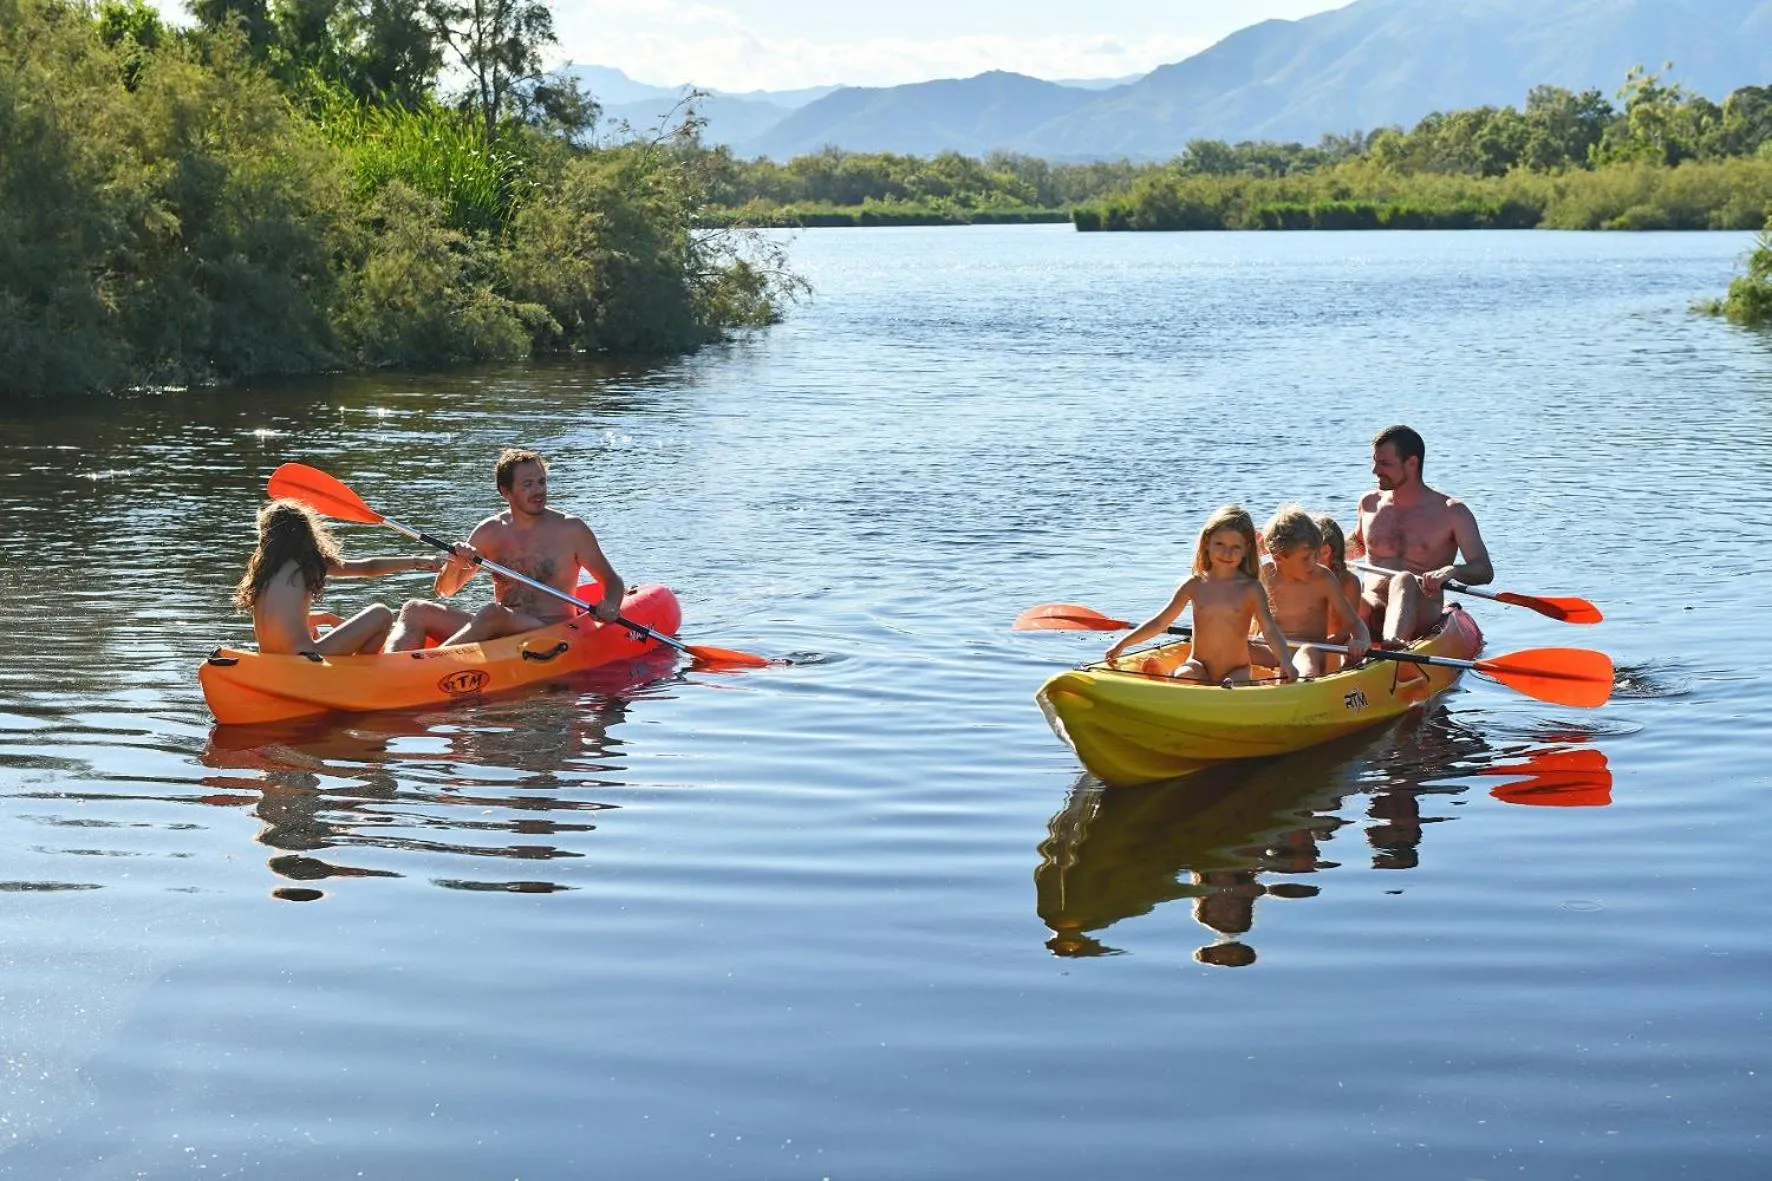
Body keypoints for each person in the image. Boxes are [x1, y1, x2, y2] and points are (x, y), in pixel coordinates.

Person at [386, 448, 626, 651]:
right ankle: (390, 669)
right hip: (499, 627)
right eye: (528, 484)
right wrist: (455, 563)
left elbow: (611, 580)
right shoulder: (490, 532)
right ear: (506, 492)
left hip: (550, 630)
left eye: (542, 482)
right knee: (415, 609)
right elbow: (445, 591)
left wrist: (612, 603)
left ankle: (428, 667)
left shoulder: (571, 529)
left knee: (493, 613)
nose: (539, 491)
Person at [1105, 504, 1295, 685]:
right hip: (1199, 665)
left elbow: (1269, 630)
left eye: (1235, 547)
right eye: (1219, 543)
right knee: (1184, 675)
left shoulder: (1251, 589)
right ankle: (1166, 681)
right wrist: (1122, 644)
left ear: (1246, 549)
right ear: (1206, 543)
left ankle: (1249, 688)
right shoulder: (1194, 585)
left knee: (1237, 684)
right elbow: (1160, 622)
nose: (1226, 553)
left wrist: (1285, 660)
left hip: (1236, 669)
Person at [234, 499, 443, 656]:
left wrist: (324, 617)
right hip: (304, 658)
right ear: (305, 534)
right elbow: (368, 567)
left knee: (312, 628)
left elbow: (282, 621)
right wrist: (416, 561)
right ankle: (361, 673)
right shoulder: (306, 562)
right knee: (382, 614)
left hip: (271, 659)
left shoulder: (262, 571)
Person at [1349, 425, 1493, 642]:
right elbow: (1357, 545)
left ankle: (1393, 648)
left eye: (1385, 464)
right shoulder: (1369, 503)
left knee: (1404, 580)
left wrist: (1451, 571)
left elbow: (1484, 570)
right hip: (1371, 606)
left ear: (1412, 464)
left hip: (1420, 614)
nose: (1375, 471)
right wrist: (1319, 547)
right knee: (1339, 580)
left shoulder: (1452, 512)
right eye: (1375, 461)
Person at [1259, 505, 1371, 677]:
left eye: (1315, 555)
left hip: (1312, 652)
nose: (1313, 562)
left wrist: (1361, 641)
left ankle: (1302, 687)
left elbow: (1355, 623)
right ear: (1278, 557)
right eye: (1305, 558)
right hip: (1273, 651)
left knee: (1308, 651)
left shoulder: (1323, 578)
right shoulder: (1264, 576)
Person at [1312, 511, 1365, 669]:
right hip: (1307, 645)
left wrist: (1325, 643)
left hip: (1334, 647)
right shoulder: (1304, 579)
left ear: (1325, 552)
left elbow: (1348, 628)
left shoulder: (1349, 582)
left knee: (1351, 655)